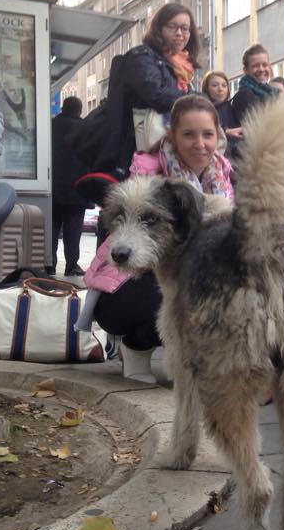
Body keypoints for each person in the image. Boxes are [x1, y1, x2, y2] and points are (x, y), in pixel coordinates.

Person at [86, 94, 234, 383]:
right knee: (178, 290)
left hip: (191, 271)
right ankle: (136, 345)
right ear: (172, 135)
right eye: (188, 134)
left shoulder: (222, 174)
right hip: (128, 282)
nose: (200, 143)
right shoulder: (145, 171)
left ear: (219, 137)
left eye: (207, 134)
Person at [96, 3, 199, 176]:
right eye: (172, 26)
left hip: (171, 148)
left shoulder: (183, 65)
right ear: (159, 28)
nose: (179, 33)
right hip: (140, 152)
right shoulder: (142, 56)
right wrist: (194, 98)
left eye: (185, 28)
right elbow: (156, 95)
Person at [50, 96, 91, 277]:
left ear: (63, 109)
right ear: (79, 111)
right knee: (73, 231)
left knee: (52, 228)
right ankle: (71, 265)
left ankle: (49, 263)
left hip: (53, 188)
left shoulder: (51, 126)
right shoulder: (85, 129)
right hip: (77, 190)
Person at [201, 70, 232, 155]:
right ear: (206, 88)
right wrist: (226, 132)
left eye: (224, 85)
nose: (220, 89)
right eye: (215, 85)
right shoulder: (202, 110)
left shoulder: (232, 107)